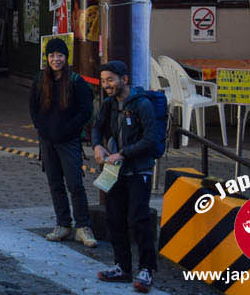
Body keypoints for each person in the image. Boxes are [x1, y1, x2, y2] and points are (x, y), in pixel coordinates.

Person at [92, 60, 160, 292]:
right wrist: (97, 147)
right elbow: (96, 127)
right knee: (114, 218)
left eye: (110, 80)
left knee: (138, 219)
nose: (106, 85)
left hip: (138, 170)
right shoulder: (108, 104)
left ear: (124, 79)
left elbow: (150, 140)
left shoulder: (142, 105)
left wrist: (123, 153)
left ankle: (147, 269)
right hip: (115, 171)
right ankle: (122, 266)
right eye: (103, 81)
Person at [29, 38, 96, 248]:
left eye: (60, 55)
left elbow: (86, 111)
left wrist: (70, 129)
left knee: (75, 183)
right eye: (52, 56)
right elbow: (33, 108)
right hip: (47, 141)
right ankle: (63, 223)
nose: (56, 60)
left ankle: (83, 226)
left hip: (69, 141)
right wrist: (42, 129)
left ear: (66, 58)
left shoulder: (76, 82)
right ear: (46, 58)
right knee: (54, 183)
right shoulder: (40, 80)